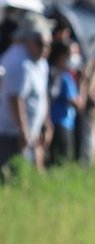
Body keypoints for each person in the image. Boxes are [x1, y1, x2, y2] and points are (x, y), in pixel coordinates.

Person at [0, 14, 52, 176]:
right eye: (40, 43)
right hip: (11, 134)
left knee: (26, 177)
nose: (44, 48)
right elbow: (15, 98)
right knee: (10, 177)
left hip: (30, 133)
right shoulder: (18, 61)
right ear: (27, 39)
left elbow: (42, 95)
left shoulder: (40, 62)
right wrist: (24, 131)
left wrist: (46, 124)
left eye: (48, 45)